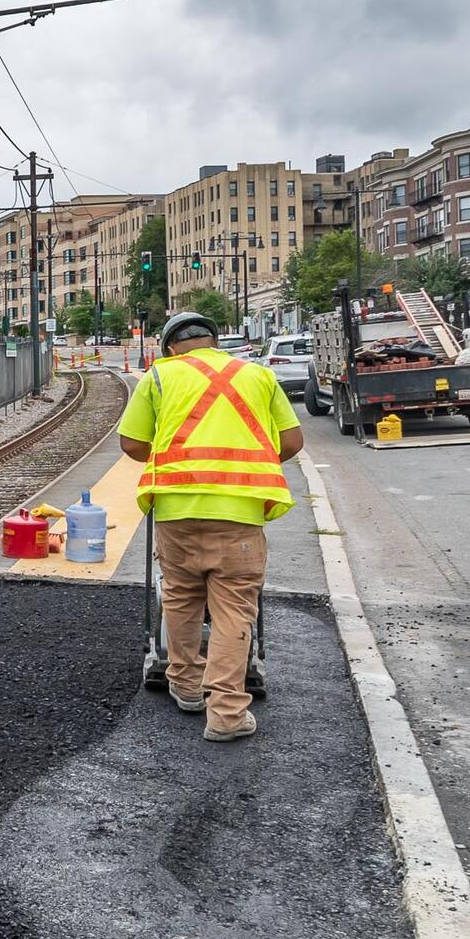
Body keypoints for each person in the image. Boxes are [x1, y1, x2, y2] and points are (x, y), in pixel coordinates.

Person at [118, 311, 304, 741]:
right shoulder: (257, 375)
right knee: (234, 609)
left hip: (176, 511)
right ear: (214, 342)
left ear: (169, 348)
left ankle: (184, 686)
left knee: (181, 599)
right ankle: (226, 715)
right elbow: (292, 441)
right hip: (239, 512)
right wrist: (248, 468)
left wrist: (175, 462)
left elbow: (131, 443)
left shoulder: (159, 378)